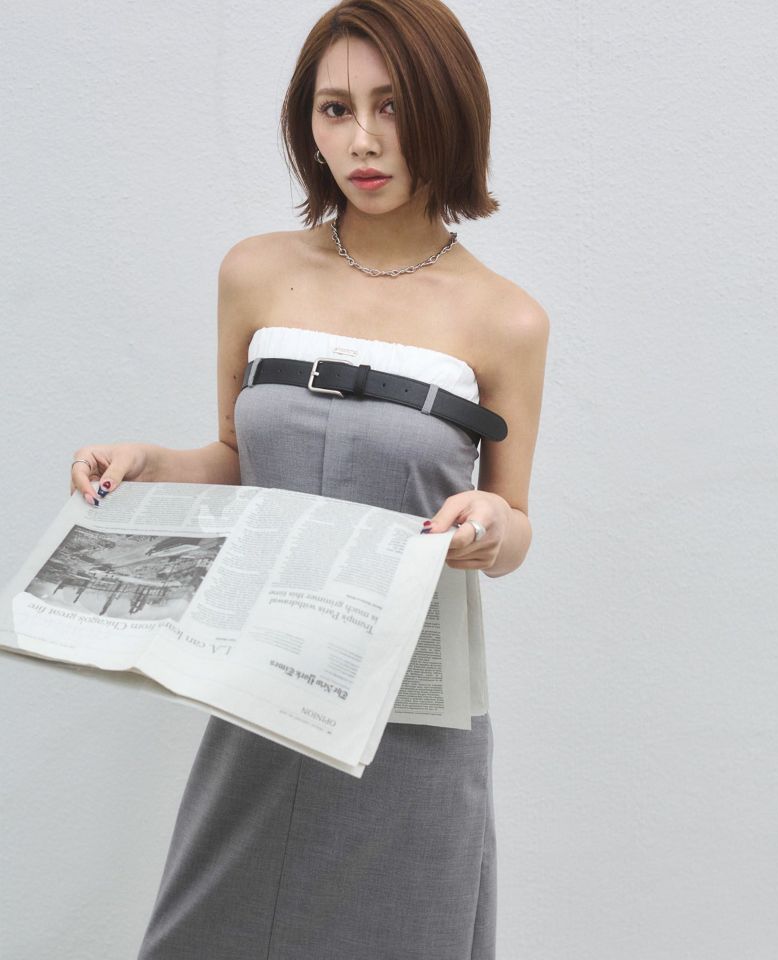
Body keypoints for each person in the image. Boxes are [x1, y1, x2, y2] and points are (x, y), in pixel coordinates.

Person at [70, 1, 549, 957]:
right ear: (309, 125)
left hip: (409, 710)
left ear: (448, 113)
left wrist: (491, 525)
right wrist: (151, 464)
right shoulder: (255, 273)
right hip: (262, 682)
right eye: (336, 109)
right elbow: (236, 458)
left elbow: (515, 523)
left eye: (392, 106)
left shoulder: (506, 320)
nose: (363, 140)